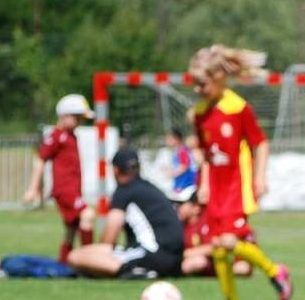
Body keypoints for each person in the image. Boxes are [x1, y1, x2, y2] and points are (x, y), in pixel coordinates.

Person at [187, 45, 293, 300]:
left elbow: (260, 143)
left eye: (202, 84)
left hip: (237, 185)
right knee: (219, 250)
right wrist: (204, 185)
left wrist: (259, 176)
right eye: (195, 85)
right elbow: (206, 155)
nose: (197, 90)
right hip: (217, 189)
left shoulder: (238, 108)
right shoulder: (199, 114)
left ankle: (275, 271)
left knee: (229, 243)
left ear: (219, 78)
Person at [67, 147, 184, 279]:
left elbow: (111, 233)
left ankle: (132, 271)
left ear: (116, 170)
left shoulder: (125, 191)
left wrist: (99, 256)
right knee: (94, 254)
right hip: (175, 259)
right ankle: (135, 269)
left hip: (152, 254)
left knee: (75, 256)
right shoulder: (149, 188)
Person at [21, 94, 97, 264]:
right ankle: (89, 260)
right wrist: (33, 189)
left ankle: (63, 263)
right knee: (88, 214)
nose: (80, 122)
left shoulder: (72, 136)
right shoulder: (56, 136)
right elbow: (41, 160)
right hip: (65, 190)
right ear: (64, 116)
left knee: (71, 228)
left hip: (73, 190)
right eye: (77, 118)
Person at [176, 188, 250, 278]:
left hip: (213, 263)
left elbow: (212, 247)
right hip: (190, 261)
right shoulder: (178, 224)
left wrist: (183, 254)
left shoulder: (207, 222)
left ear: (196, 208)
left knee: (199, 261)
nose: (177, 207)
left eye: (181, 204)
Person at [167, 127, 197, 199]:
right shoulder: (177, 151)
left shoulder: (182, 151)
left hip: (187, 184)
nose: (167, 141)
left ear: (176, 139)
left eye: (170, 139)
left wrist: (173, 173)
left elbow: (184, 166)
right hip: (180, 184)